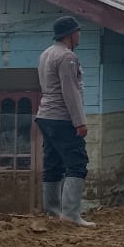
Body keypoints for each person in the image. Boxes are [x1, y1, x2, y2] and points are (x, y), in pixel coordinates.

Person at [37, 16, 95, 228]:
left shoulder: (46, 54)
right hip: (62, 118)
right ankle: (70, 214)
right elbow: (70, 92)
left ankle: (52, 211)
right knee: (77, 162)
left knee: (52, 162)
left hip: (45, 115)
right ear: (70, 35)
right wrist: (80, 122)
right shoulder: (67, 57)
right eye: (78, 32)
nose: (79, 35)